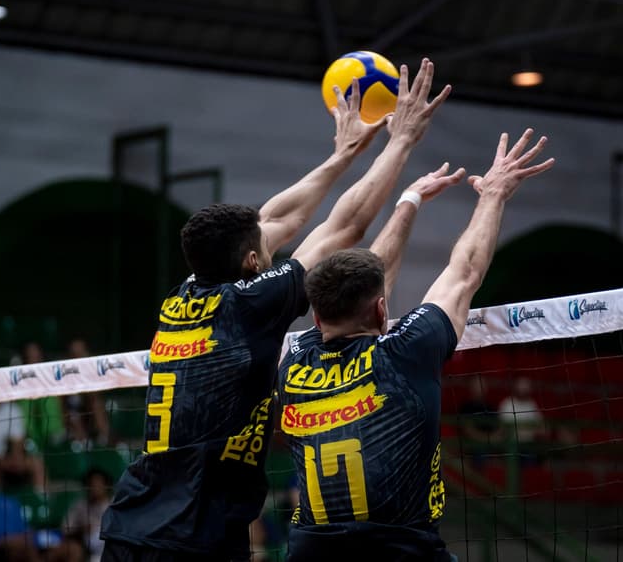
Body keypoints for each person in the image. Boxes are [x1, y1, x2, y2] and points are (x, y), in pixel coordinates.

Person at [100, 58, 451, 562]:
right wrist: (401, 142)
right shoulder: (246, 307)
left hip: (132, 521)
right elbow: (345, 229)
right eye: (263, 251)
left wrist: (344, 154)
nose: (272, 250)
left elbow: (274, 217)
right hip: (193, 535)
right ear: (249, 262)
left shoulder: (181, 297)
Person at [277, 129, 554, 561]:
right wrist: (493, 194)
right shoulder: (403, 354)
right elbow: (463, 272)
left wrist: (408, 199)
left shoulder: (293, 364)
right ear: (383, 312)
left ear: (316, 316)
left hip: (311, 551)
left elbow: (370, 276)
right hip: (399, 548)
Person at [64, 468, 112, 561]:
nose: (94, 487)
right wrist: (81, 529)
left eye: (98, 484)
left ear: (106, 485)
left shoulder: (115, 504)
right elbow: (65, 528)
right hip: (88, 550)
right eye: (91, 484)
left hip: (112, 547)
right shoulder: (80, 505)